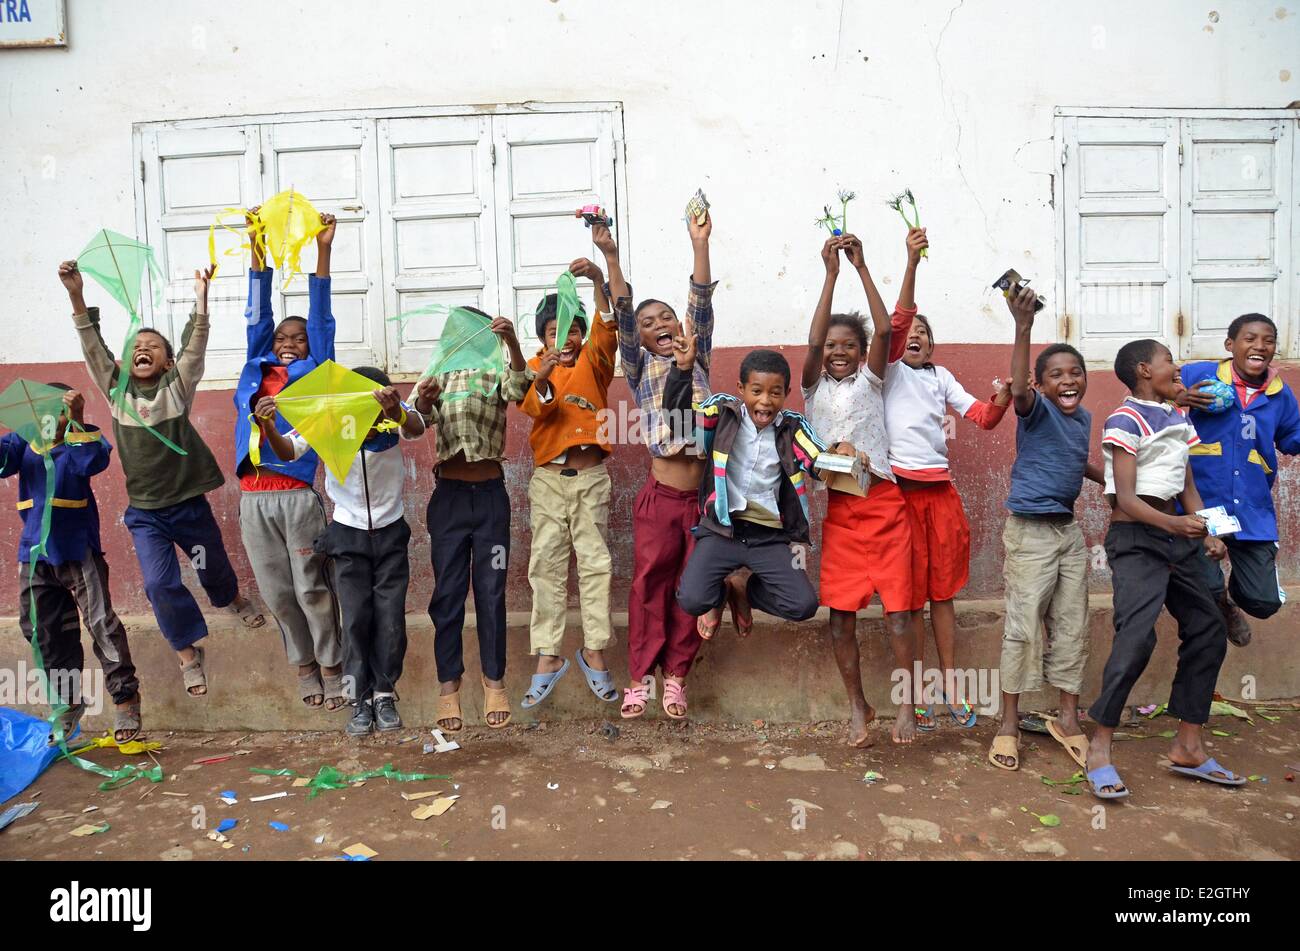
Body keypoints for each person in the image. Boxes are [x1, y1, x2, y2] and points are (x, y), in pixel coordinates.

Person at [60, 259, 264, 700]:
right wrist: (77, 295)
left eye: (153, 345)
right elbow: (93, 347)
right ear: (126, 359)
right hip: (146, 515)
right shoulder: (118, 394)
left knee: (211, 566)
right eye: (137, 344)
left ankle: (229, 598)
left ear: (169, 361)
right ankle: (188, 652)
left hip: (188, 505)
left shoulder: (176, 389)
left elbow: (196, 347)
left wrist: (202, 300)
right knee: (158, 584)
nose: (143, 348)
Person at [1084, 339, 1243, 799]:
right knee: (1138, 634)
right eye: (1168, 361)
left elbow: (1187, 483)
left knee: (1209, 627)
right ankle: (1100, 745)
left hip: (1177, 535)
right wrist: (1175, 523)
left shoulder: (1177, 417)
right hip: (1136, 538)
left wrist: (1209, 529)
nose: (1176, 369)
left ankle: (1189, 745)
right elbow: (1127, 499)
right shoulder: (1125, 419)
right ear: (1142, 371)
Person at [884, 227, 1010, 739]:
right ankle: (913, 692)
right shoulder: (889, 371)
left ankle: (951, 684)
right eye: (911, 333)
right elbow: (894, 323)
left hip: (940, 499)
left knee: (942, 596)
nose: (916, 337)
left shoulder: (940, 377)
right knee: (908, 599)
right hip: (899, 499)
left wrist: (1002, 398)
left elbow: (981, 417)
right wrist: (911, 263)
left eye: (925, 334)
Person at [254, 368, 425, 736]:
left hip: (390, 531)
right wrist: (268, 425)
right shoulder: (328, 419)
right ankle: (357, 700)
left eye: (376, 396)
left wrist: (394, 409)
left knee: (390, 616)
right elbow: (288, 449)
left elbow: (415, 427)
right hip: (347, 534)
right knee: (356, 617)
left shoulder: (392, 418)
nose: (370, 404)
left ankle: (384, 693)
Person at [800, 233, 914, 746]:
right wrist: (829, 275)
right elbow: (810, 342)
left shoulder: (873, 381)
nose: (839, 352)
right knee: (840, 619)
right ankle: (858, 707)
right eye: (832, 345)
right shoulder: (810, 387)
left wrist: (861, 268)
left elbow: (887, 326)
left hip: (885, 505)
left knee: (898, 616)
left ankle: (907, 704)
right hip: (842, 513)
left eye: (849, 345)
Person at [605, 211, 719, 719]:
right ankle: (639, 678)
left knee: (691, 587)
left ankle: (676, 676)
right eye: (650, 324)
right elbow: (623, 316)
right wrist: (610, 256)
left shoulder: (699, 356)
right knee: (649, 585)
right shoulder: (639, 367)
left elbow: (701, 298)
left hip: (701, 499)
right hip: (660, 499)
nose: (659, 327)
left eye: (667, 318)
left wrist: (699, 243)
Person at [234, 209, 344, 710]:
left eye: (297, 338)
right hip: (253, 497)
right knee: (278, 592)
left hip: (297, 496)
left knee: (311, 588)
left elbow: (320, 316)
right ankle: (303, 666)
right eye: (282, 338)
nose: (287, 343)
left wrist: (322, 249)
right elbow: (257, 312)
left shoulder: (317, 372)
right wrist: (257, 242)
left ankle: (331, 665)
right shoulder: (255, 370)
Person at [988, 289, 1103, 772]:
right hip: (1030, 533)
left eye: (1075, 372)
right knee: (1023, 628)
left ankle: (1068, 719)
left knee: (1073, 625)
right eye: (1055, 375)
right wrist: (1022, 326)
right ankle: (1009, 724)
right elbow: (1016, 390)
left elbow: (1079, 463)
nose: (1068, 380)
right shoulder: (1035, 409)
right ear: (1041, 384)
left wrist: (1115, 483)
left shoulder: (1085, 420)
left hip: (1068, 534)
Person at [1, 385, 141, 743]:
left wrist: (77, 420)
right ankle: (68, 704)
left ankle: (125, 699)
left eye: (61, 412)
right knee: (41, 632)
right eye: (45, 412)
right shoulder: (22, 444)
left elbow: (93, 461)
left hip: (78, 552)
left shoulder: (80, 443)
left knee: (101, 625)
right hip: (34, 556)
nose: (53, 419)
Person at [412, 309, 530, 732]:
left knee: (490, 590)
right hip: (449, 499)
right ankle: (449, 685)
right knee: (448, 593)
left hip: (490, 498)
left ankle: (494, 681)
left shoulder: (496, 370)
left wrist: (512, 343)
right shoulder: (436, 373)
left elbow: (521, 387)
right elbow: (410, 424)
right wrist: (423, 403)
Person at [517, 252, 620, 711]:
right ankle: (548, 656)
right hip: (548, 480)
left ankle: (593, 648)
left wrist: (599, 276)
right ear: (543, 338)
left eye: (572, 329)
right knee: (546, 567)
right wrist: (541, 373)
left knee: (596, 565)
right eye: (555, 331)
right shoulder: (537, 366)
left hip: (592, 477)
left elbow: (607, 324)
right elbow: (536, 407)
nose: (565, 337)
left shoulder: (595, 361)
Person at [672, 347, 826, 636]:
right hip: (721, 531)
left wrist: (842, 453)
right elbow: (680, 424)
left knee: (804, 604)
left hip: (768, 537)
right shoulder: (723, 412)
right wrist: (681, 372)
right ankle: (719, 594)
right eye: (756, 391)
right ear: (741, 389)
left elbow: (817, 459)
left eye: (775, 393)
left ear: (787, 393)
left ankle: (743, 588)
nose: (765, 401)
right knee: (692, 599)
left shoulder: (792, 427)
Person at [1177, 313, 1300, 646]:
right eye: (1250, 338)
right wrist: (1179, 398)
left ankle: (1236, 595)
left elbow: (1292, 438)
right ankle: (1222, 603)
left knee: (1264, 601)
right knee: (1206, 586)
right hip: (1202, 501)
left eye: (1269, 340)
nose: (1260, 346)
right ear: (1230, 345)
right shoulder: (1198, 374)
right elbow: (1152, 391)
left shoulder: (1279, 394)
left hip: (1249, 506)